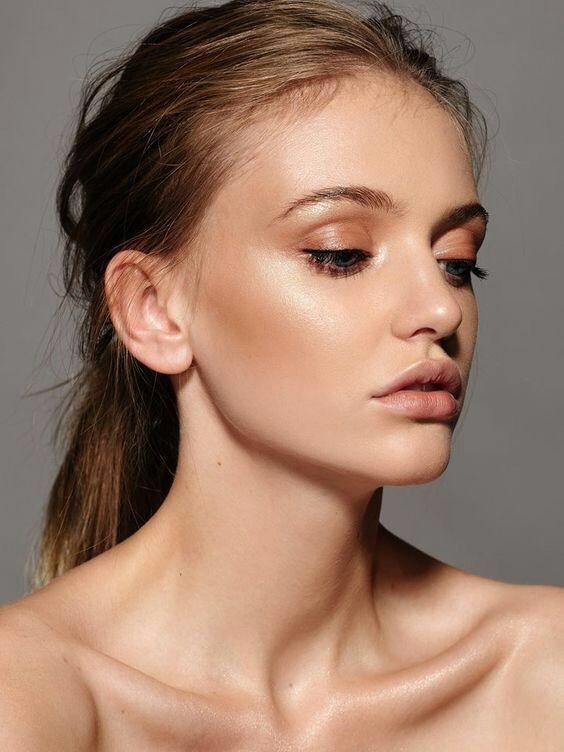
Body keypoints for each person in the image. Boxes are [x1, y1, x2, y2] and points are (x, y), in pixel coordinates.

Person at [1, 0, 562, 748]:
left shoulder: (542, 674)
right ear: (154, 311)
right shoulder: (30, 701)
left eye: (457, 262)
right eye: (341, 254)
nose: (439, 307)